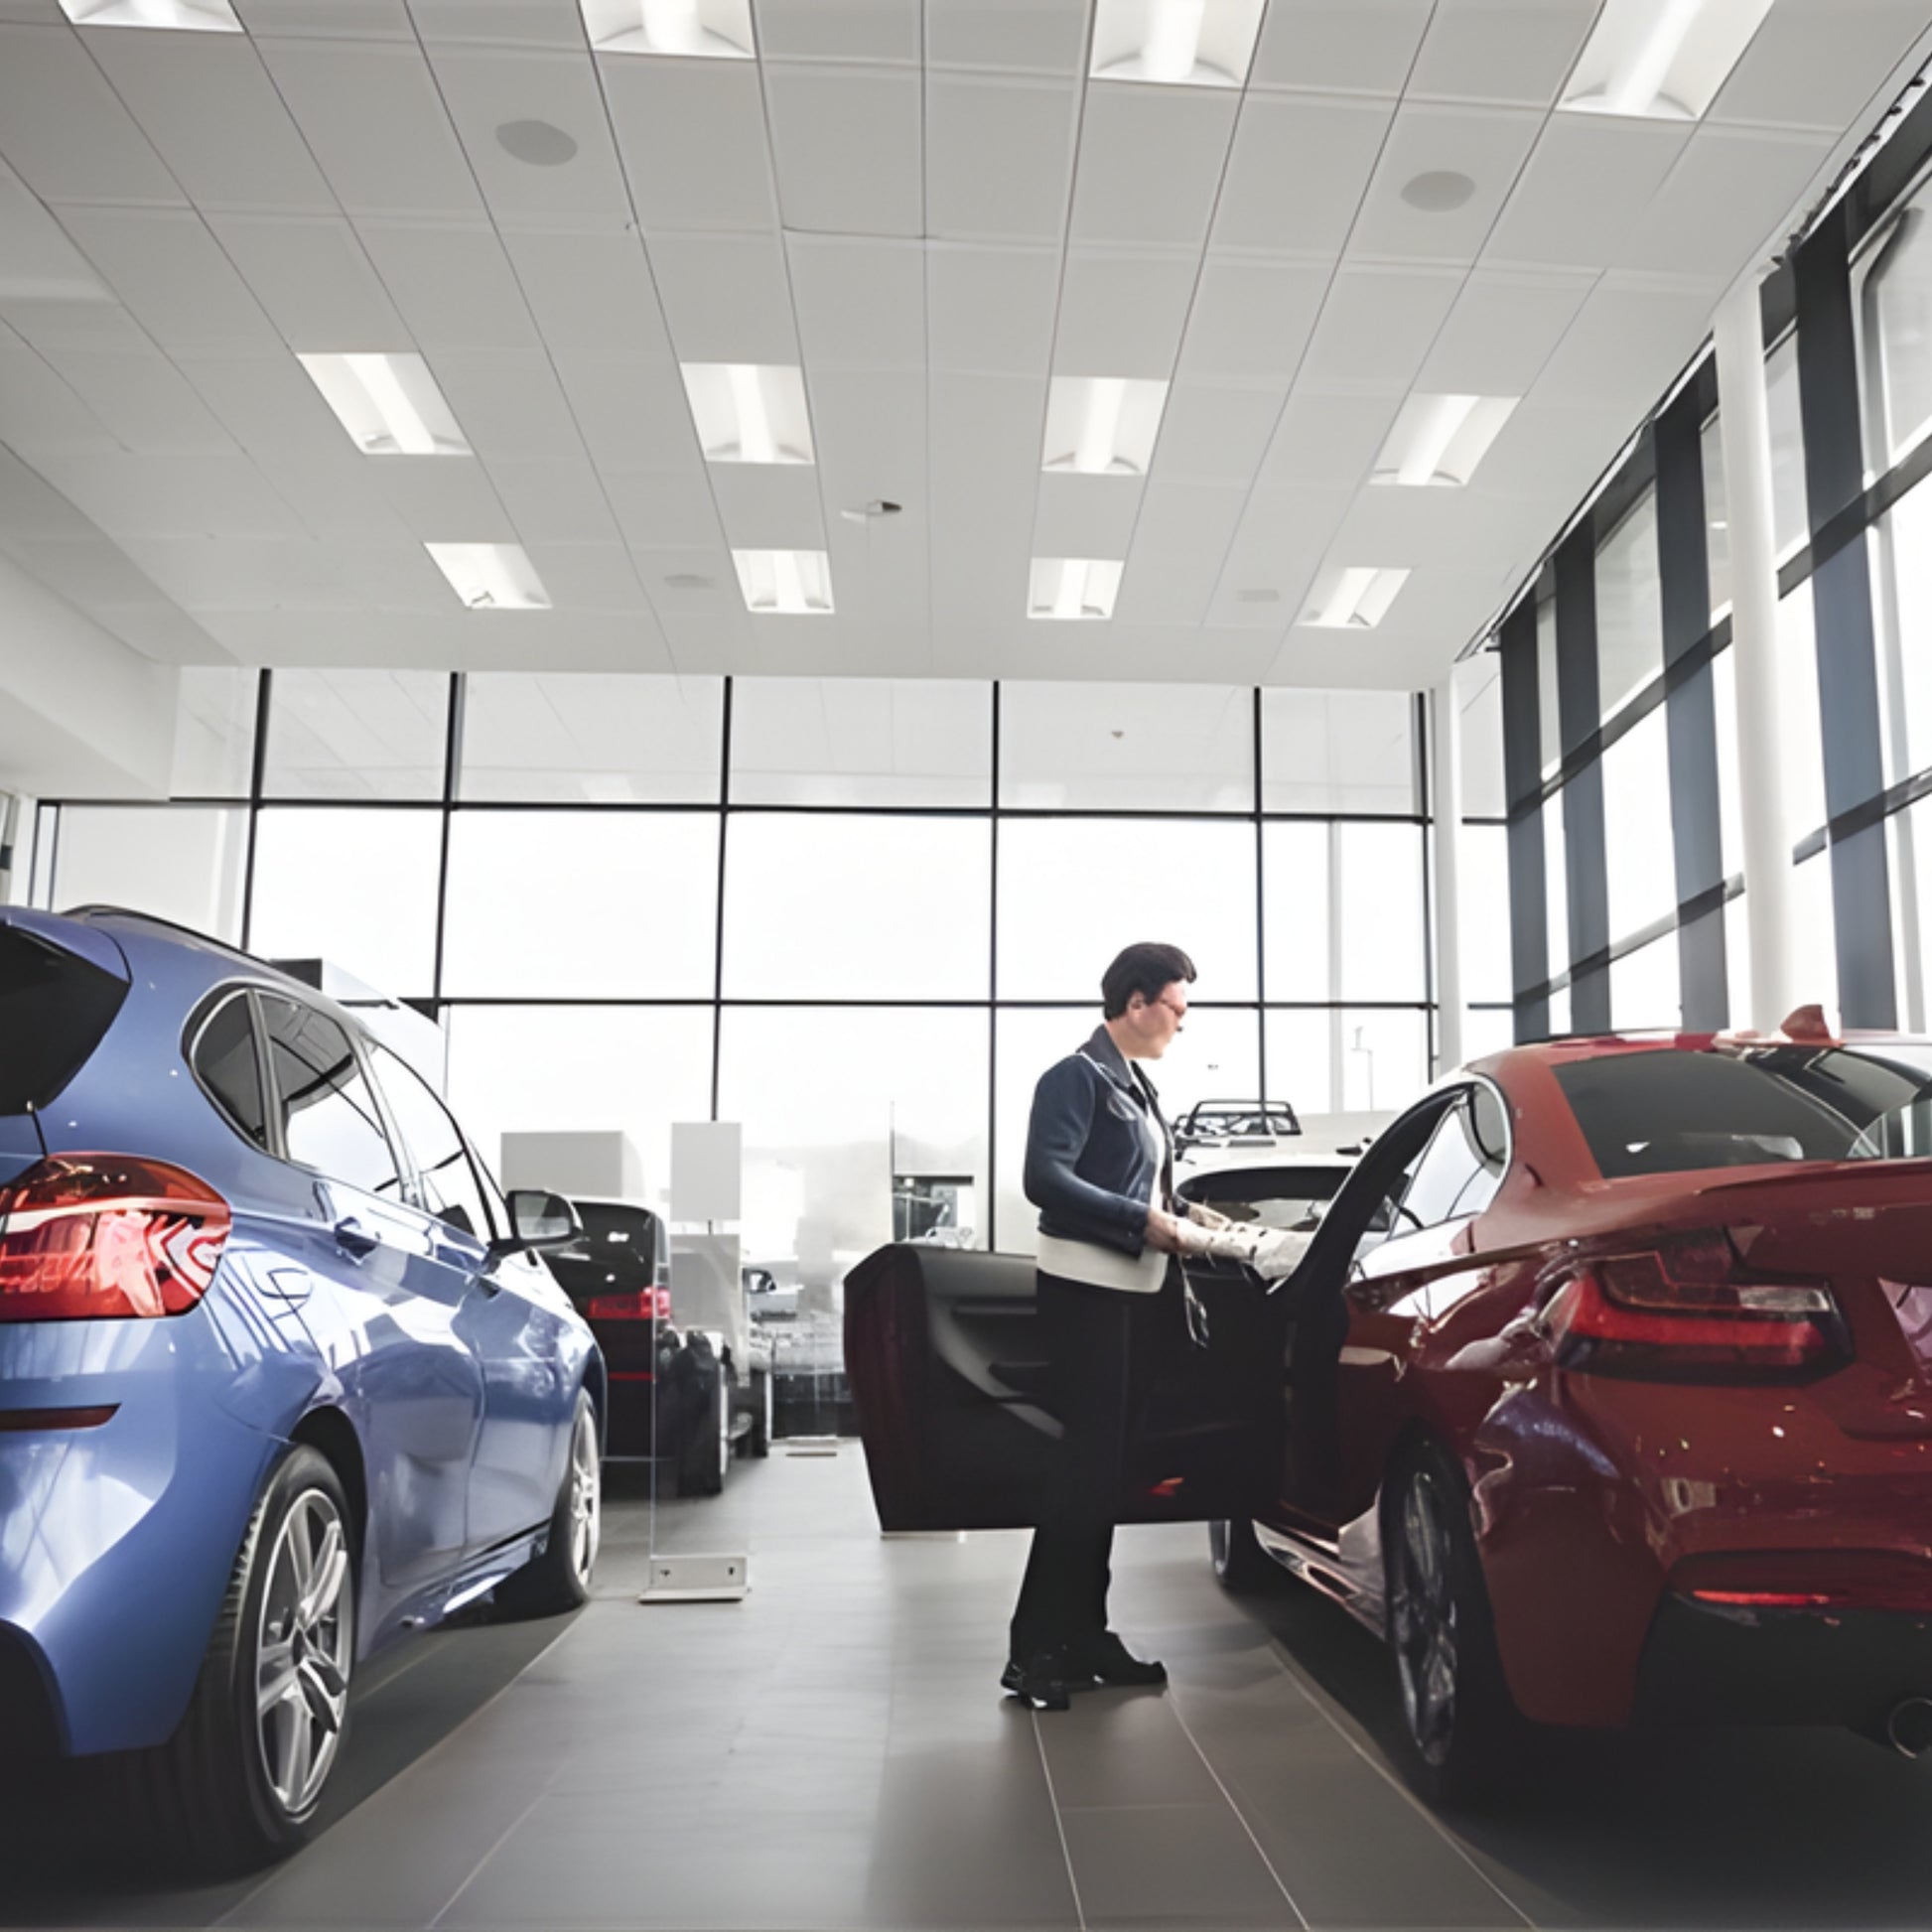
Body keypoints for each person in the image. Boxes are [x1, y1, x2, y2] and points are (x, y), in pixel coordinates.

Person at [1003, 940, 1210, 1712]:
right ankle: (1034, 1650)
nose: (1181, 1023)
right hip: (1086, 1292)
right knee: (1081, 1473)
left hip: (1135, 1292)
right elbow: (1044, 1177)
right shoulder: (1076, 1077)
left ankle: (1086, 1635)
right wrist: (1140, 1219)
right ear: (1136, 1002)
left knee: (1106, 1476)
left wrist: (1189, 1216)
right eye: (1176, 1008)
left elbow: (1144, 1186)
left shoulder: (1139, 1089)